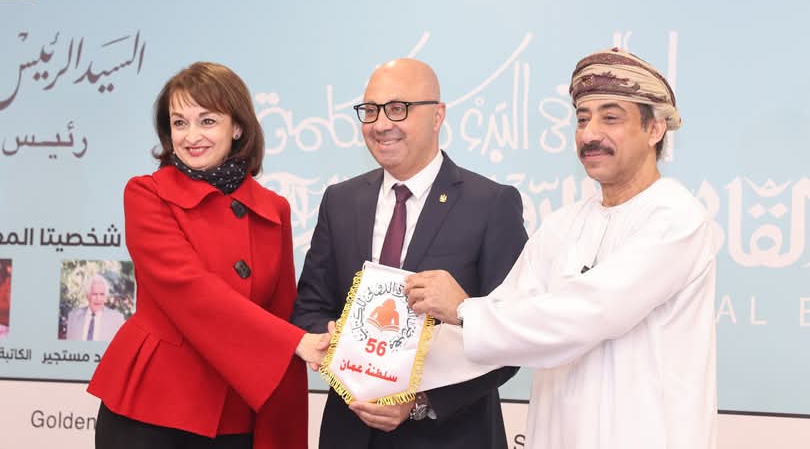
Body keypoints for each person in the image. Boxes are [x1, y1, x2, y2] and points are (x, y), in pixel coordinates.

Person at [406, 48, 718, 449]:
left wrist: (464, 310)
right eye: (582, 119)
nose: (589, 134)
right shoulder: (563, 225)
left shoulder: (677, 218)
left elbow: (591, 312)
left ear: (655, 129)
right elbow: (503, 319)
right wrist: (378, 360)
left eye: (610, 118)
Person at [88, 62, 328, 449]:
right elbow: (189, 288)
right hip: (153, 408)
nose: (191, 136)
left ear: (237, 128)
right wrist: (292, 341)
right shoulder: (146, 193)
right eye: (179, 123)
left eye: (207, 121)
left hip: (237, 411)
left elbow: (281, 310)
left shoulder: (273, 208)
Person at [291, 58, 528, 449]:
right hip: (350, 431)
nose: (381, 124)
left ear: (438, 116)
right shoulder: (340, 201)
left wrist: (421, 402)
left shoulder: (491, 204)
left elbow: (512, 334)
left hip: (451, 437)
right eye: (370, 110)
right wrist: (329, 339)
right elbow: (310, 307)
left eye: (398, 108)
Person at [65, 274, 125, 341]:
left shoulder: (117, 319)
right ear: (87, 295)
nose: (98, 298)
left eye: (102, 294)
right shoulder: (73, 316)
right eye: (94, 294)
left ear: (106, 297)